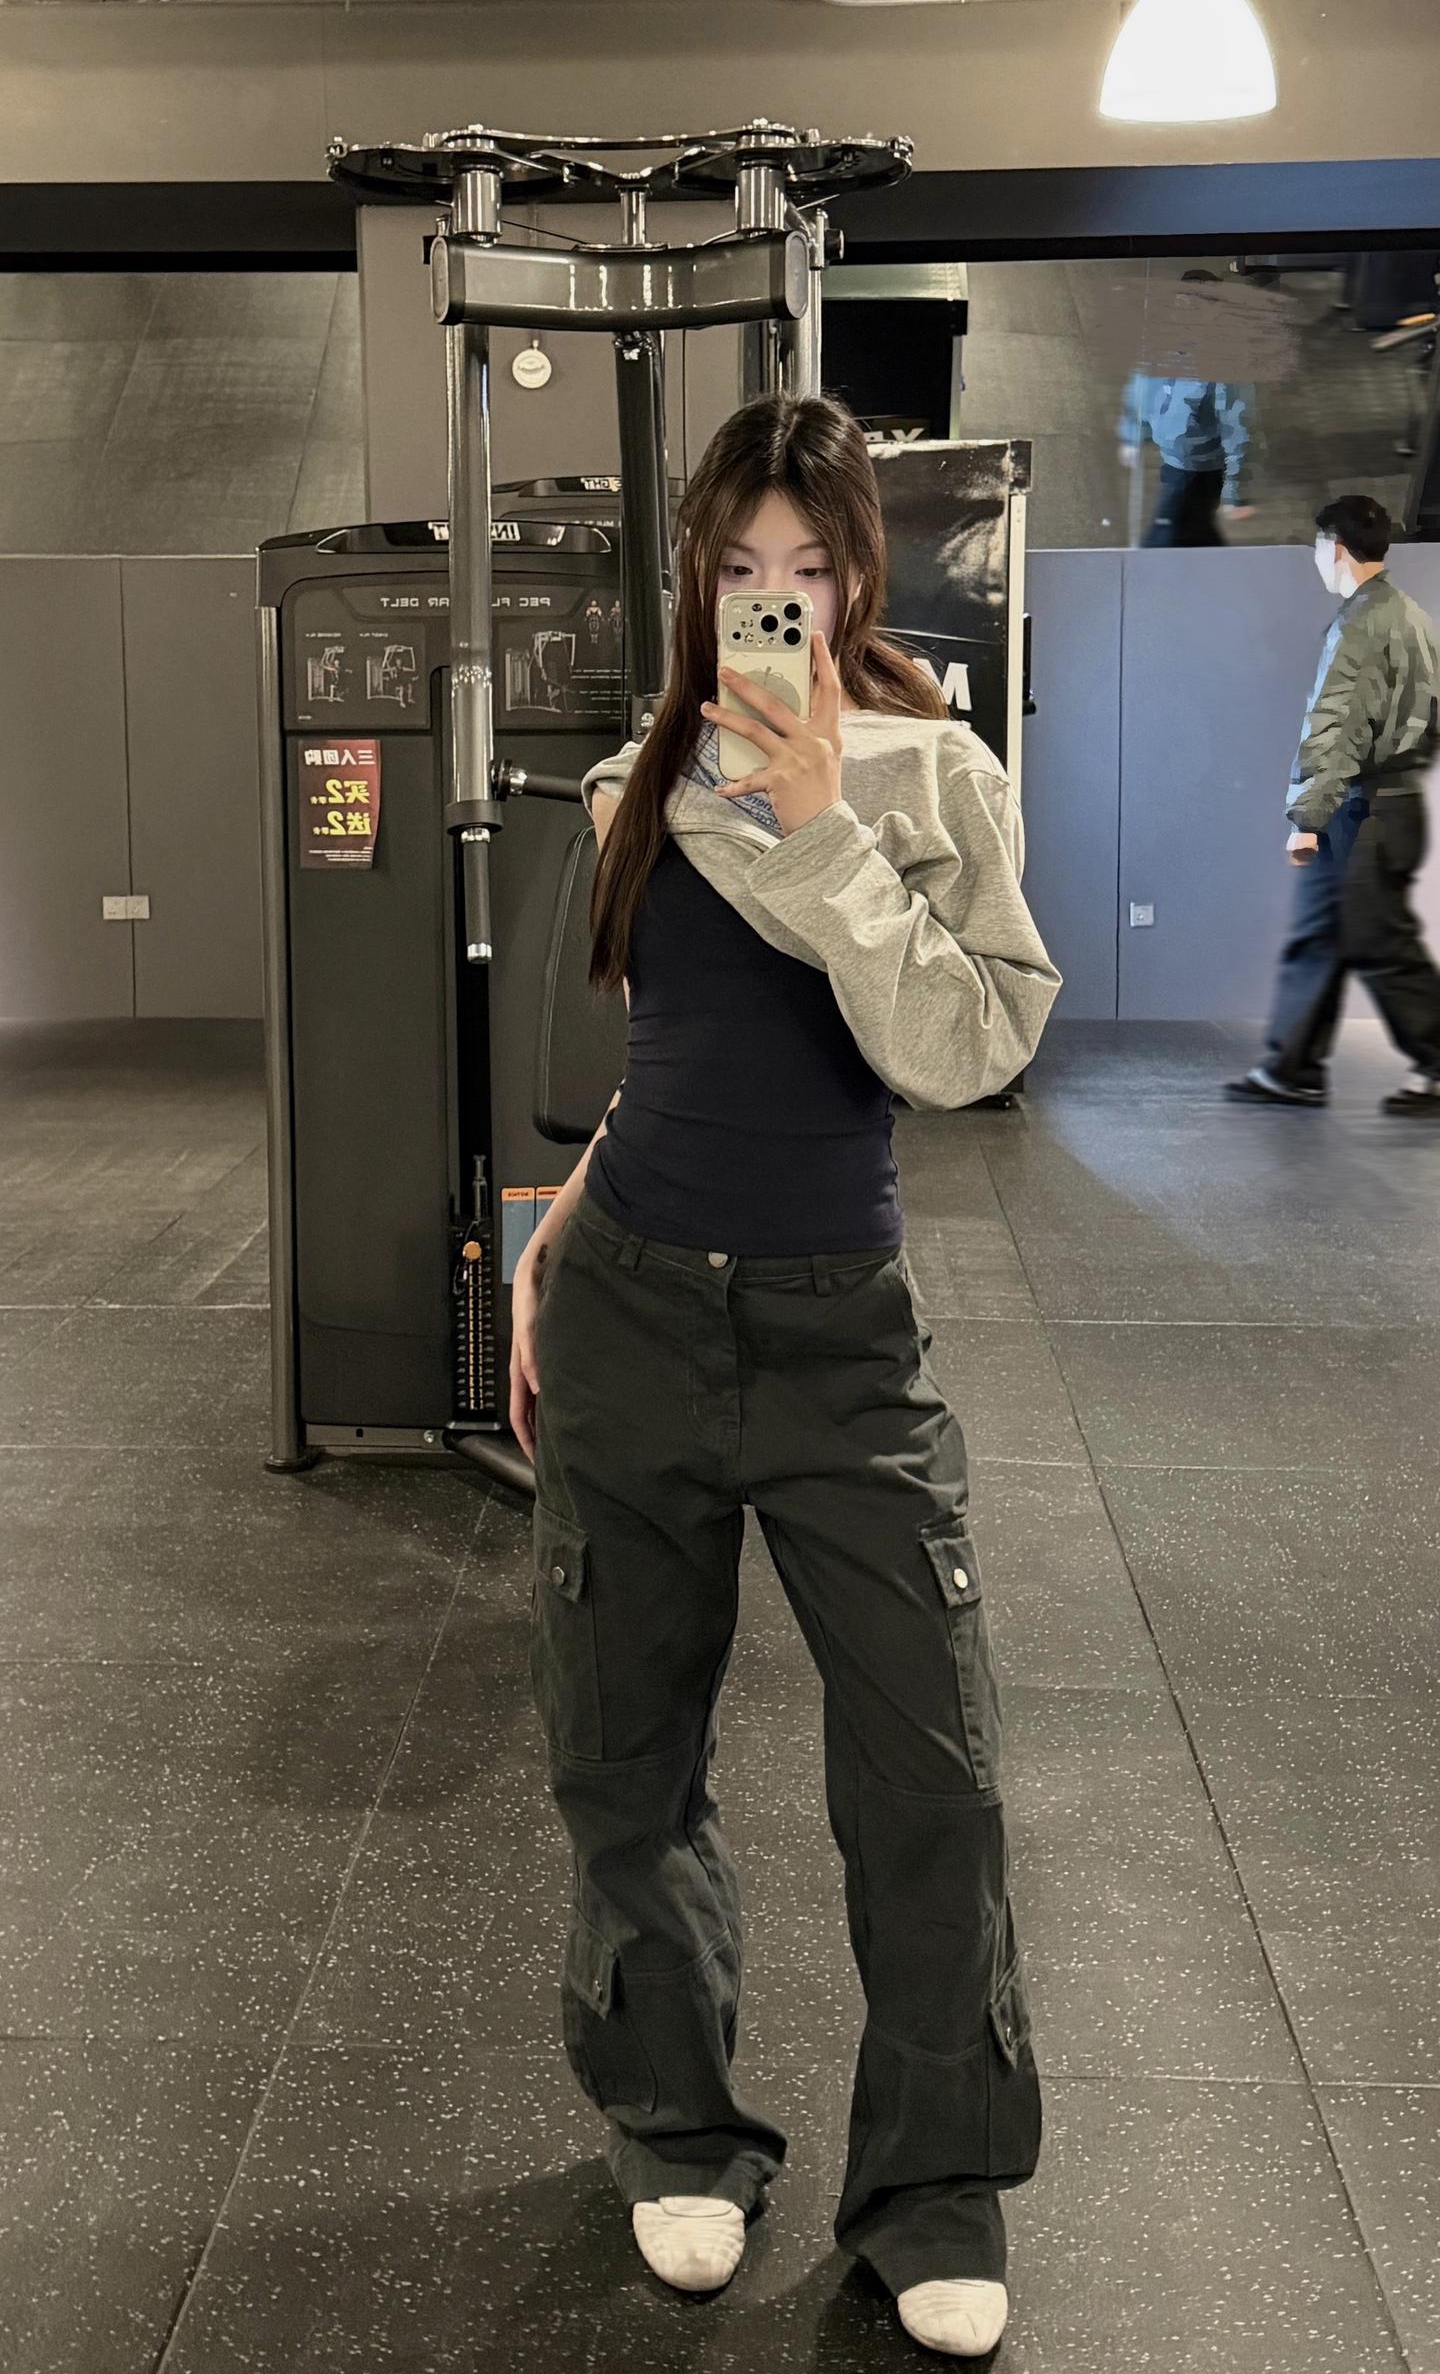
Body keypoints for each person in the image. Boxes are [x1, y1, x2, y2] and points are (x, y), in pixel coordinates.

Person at [508, 394, 1061, 2359]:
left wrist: (821, 822)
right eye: (738, 568)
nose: (772, 603)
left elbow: (970, 1046)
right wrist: (556, 1225)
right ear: (694, 577)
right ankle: (676, 2124)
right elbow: (671, 1057)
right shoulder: (635, 782)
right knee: (623, 1751)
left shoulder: (936, 769)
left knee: (933, 1767)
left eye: (806, 569)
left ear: (856, 577)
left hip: (841, 1336)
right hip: (634, 1301)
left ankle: (935, 2184)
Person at [1227, 493, 1440, 1116]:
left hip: (1361, 811)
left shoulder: (1359, 625)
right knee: (1321, 934)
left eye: (1319, 546)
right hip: (1396, 804)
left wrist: (1307, 818)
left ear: (1335, 548)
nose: (1317, 557)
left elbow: (1335, 723)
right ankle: (1291, 1068)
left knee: (1380, 944)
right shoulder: (1413, 617)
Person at [1118, 272, 1256, 545]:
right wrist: (1133, 433)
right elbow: (1140, 389)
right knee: (1193, 528)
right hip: (1174, 461)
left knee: (1168, 531)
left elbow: (1238, 428)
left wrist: (1236, 491)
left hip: (1200, 469)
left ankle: (1150, 560)